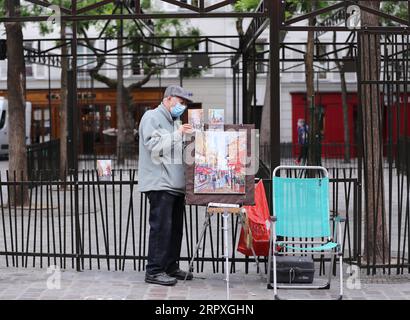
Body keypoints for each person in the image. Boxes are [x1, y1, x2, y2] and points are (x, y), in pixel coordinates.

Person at [138, 85, 193, 286]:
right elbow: (153, 146)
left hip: (174, 185)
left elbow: (176, 151)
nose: (183, 106)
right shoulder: (152, 117)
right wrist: (178, 134)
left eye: (185, 103)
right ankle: (154, 270)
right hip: (160, 183)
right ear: (168, 99)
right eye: (181, 102)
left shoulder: (174, 121)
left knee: (174, 229)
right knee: (161, 228)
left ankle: (170, 266)